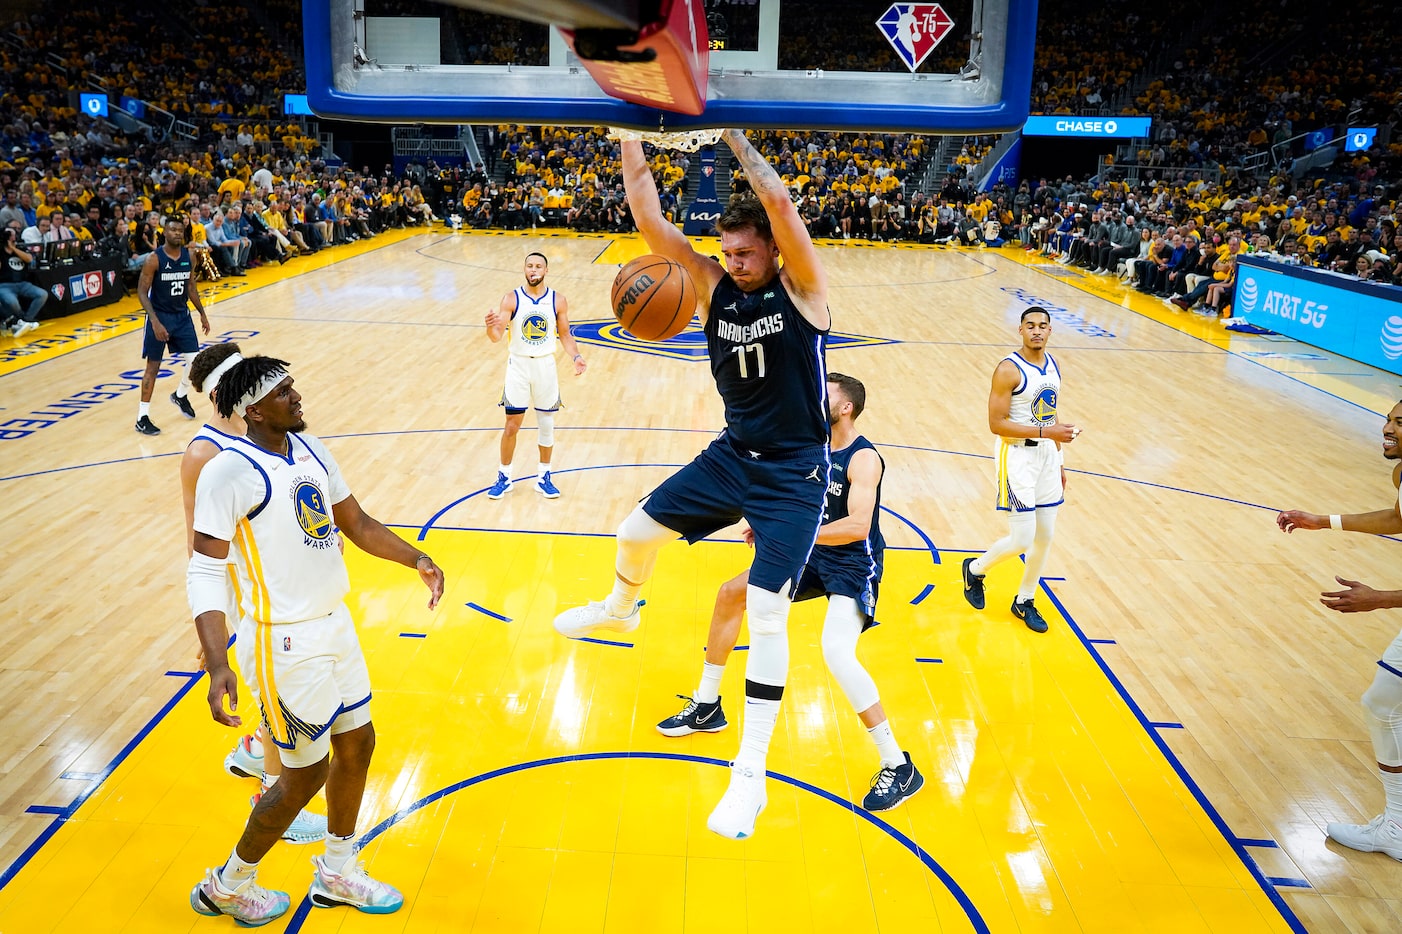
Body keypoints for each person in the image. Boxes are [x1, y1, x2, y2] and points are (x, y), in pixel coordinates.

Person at [553, 129, 832, 840]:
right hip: (734, 454)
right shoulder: (709, 285)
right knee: (632, 531)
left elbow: (778, 199)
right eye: (727, 251)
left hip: (795, 472)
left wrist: (732, 134)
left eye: (745, 251)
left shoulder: (801, 289)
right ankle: (621, 608)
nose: (734, 262)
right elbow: (650, 222)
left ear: (771, 248)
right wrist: (627, 139)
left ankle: (751, 777)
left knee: (766, 613)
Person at [186, 354, 445, 926]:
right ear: (252, 409)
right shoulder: (228, 473)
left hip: (335, 624)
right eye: (283, 392)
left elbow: (358, 524)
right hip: (281, 643)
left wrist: (416, 558)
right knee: (304, 772)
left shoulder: (310, 449)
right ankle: (229, 883)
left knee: (360, 744)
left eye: (292, 386)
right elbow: (203, 569)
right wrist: (215, 662)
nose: (296, 396)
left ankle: (338, 870)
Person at [656, 372, 924, 811]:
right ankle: (707, 705)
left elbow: (857, 526)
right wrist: (768, 523)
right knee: (731, 594)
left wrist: (797, 533)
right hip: (810, 550)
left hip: (853, 562)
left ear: (845, 409)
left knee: (837, 652)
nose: (814, 400)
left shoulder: (863, 459)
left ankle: (898, 764)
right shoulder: (807, 448)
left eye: (826, 396)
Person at [181, 343, 327, 846]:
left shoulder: (264, 437)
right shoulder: (206, 452)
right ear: (231, 392)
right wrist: (213, 627)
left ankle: (252, 749)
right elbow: (200, 546)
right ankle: (270, 792)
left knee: (278, 697)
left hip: (277, 580)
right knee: (278, 695)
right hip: (252, 594)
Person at [1277, 400, 1402, 860]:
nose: (1386, 428)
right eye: (1389, 418)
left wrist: (1379, 599)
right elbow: (1398, 517)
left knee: (1384, 705)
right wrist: (1321, 521)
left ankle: (1398, 827)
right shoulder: (1401, 473)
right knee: (1384, 703)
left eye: (1400, 423)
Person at [961, 307, 1079, 633]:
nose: (1037, 331)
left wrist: (1061, 460)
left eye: (1043, 326)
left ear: (1051, 331)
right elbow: (995, 424)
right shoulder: (1008, 370)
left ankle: (1024, 600)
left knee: (1046, 537)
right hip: (1016, 458)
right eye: (1031, 326)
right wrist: (1048, 435)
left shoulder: (1054, 366)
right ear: (1020, 330)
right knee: (1022, 538)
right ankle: (976, 568)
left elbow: (1049, 413)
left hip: (1047, 458)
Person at [483, 252, 586, 499]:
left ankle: (543, 476)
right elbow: (497, 336)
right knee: (511, 425)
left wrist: (576, 356)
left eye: (538, 266)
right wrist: (490, 326)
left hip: (545, 367)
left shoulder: (557, 300)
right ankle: (504, 476)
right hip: (518, 366)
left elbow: (565, 334)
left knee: (547, 425)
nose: (533, 270)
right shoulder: (511, 298)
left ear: (546, 271)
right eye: (529, 265)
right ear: (524, 269)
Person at [135, 216, 209, 435]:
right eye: (172, 229)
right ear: (164, 233)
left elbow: (191, 287)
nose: (177, 233)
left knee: (196, 364)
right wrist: (155, 322)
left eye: (180, 230)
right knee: (153, 367)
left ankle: (180, 394)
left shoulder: (190, 255)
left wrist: (203, 314)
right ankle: (142, 417)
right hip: (159, 317)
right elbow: (141, 291)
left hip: (182, 317)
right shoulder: (153, 259)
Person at [0, 225, 46, 337]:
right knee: (12, 303)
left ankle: (26, 320)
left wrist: (13, 248)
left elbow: (29, 259)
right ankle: (21, 321)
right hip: (4, 285)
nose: (11, 237)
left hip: (23, 284)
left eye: (12, 235)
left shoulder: (20, 247)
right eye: (9, 235)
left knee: (42, 294)